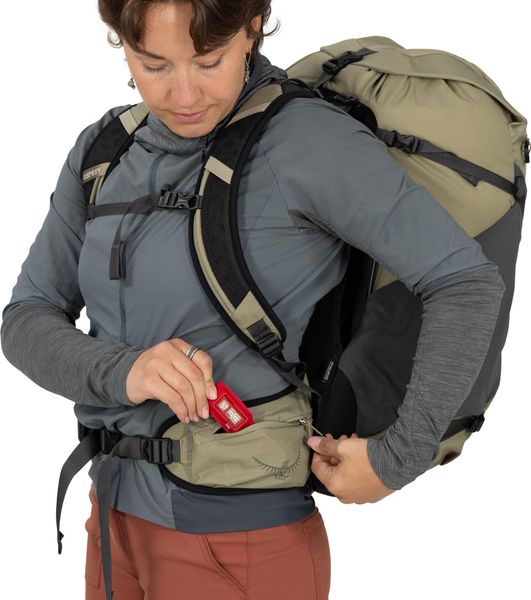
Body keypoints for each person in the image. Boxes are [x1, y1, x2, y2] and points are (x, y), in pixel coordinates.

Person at [0, 1, 505, 599]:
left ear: (251, 29)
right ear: (121, 43)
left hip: (239, 542)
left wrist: (398, 459)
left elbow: (464, 281)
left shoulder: (308, 141)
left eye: (208, 61)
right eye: (154, 65)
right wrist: (125, 370)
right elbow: (25, 319)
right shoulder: (105, 151)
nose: (183, 94)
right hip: (112, 524)